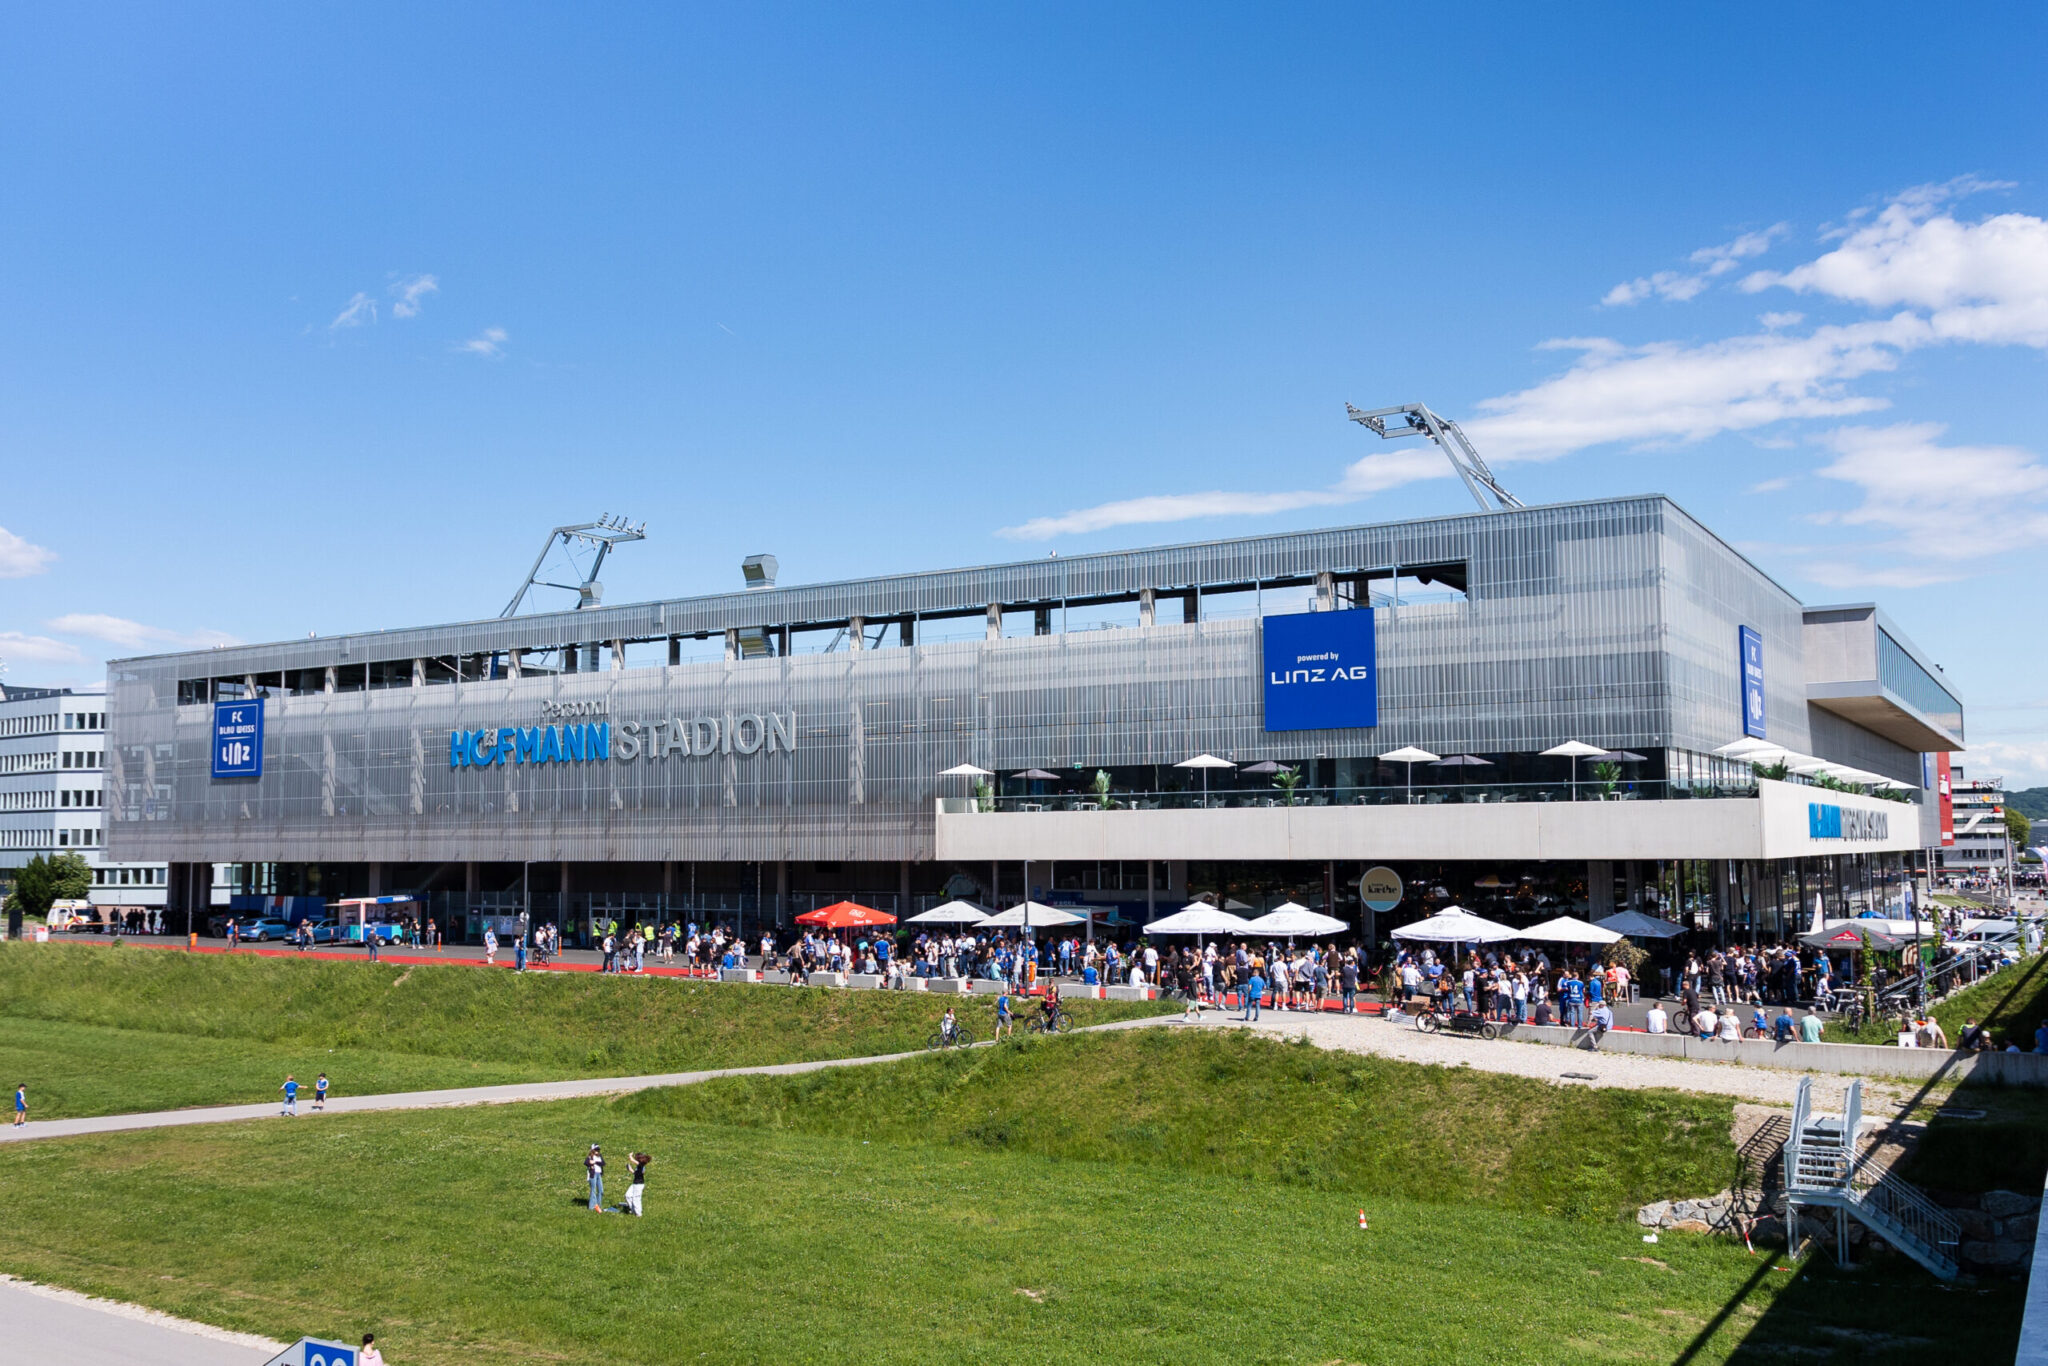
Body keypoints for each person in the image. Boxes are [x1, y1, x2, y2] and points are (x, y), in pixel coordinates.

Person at [624, 1152, 651, 1217]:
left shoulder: (641, 1165)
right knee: (627, 1195)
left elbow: (632, 1160)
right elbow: (636, 1174)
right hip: (635, 1183)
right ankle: (633, 1209)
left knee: (636, 1199)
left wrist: (630, 1156)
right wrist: (630, 1169)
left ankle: (638, 1214)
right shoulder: (639, 1166)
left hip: (639, 1185)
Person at [586, 1144, 605, 1211]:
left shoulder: (600, 1156)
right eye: (596, 1149)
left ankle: (598, 1205)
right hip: (593, 1174)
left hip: (599, 1174)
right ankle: (591, 1206)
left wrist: (595, 1162)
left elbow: (603, 1163)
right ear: (592, 1150)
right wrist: (590, 1163)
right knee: (593, 1190)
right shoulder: (590, 1156)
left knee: (601, 1190)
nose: (597, 1151)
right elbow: (586, 1163)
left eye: (598, 1149)